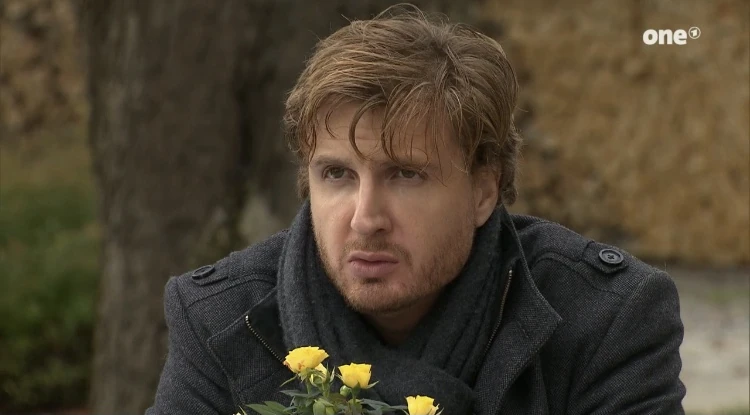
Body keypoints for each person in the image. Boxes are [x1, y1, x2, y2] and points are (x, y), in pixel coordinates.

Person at [146, 4, 685, 414]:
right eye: (337, 175)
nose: (365, 219)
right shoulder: (221, 318)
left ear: (483, 190)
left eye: (405, 175)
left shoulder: (605, 320)